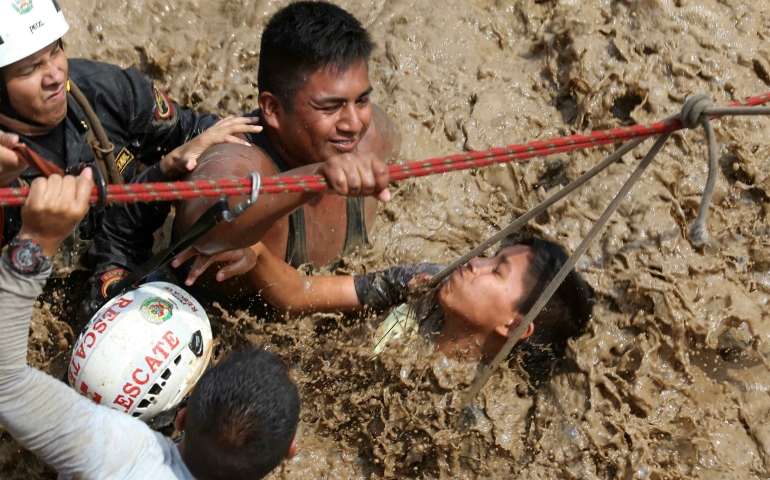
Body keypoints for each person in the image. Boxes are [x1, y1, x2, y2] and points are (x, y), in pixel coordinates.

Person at [85, 1, 399, 309]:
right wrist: (319, 177)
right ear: (273, 110)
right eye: (330, 107)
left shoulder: (374, 135)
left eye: (361, 100)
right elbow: (208, 222)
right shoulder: (240, 158)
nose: (353, 123)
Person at [0, 168, 300, 479]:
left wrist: (36, 241)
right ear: (289, 451)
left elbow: (6, 383)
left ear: (182, 418)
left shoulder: (118, 452)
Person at [0, 0, 260, 270]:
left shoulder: (108, 91)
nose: (54, 75)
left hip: (132, 255)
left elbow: (194, 132)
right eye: (30, 69)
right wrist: (164, 171)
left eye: (55, 51)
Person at [179, 235, 594, 380]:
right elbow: (305, 294)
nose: (474, 261)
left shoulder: (483, 407)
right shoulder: (426, 283)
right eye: (492, 255)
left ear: (514, 326)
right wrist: (253, 251)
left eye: (496, 270)